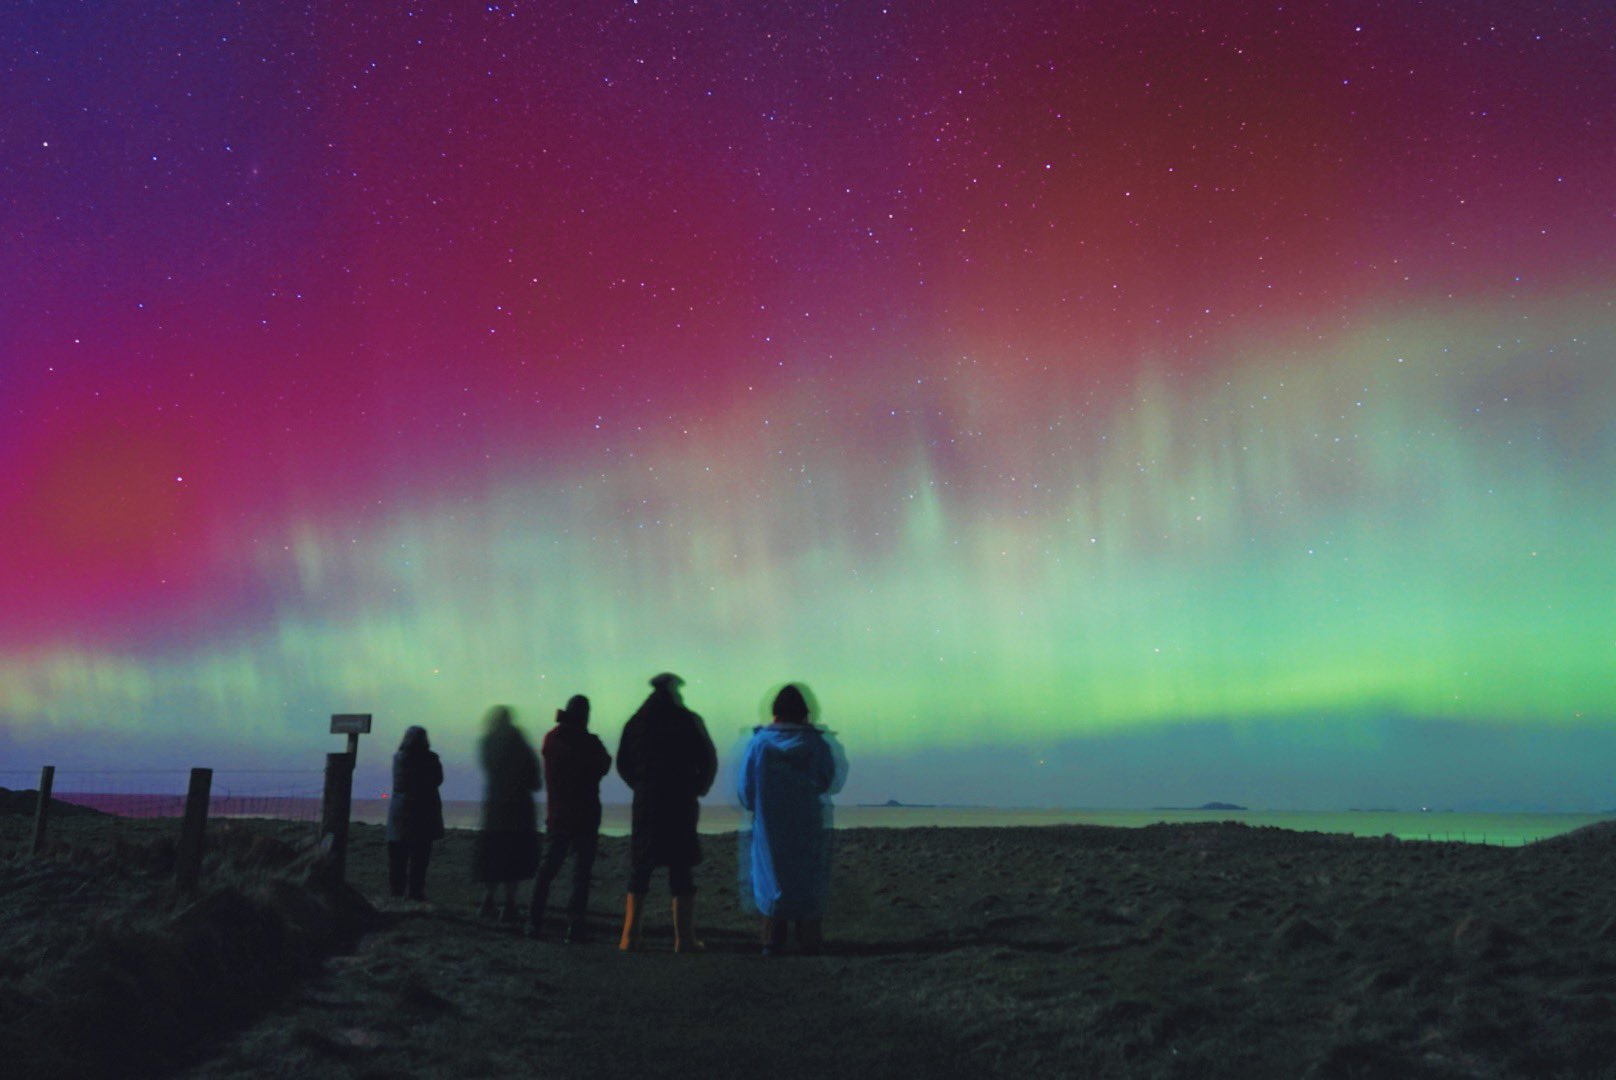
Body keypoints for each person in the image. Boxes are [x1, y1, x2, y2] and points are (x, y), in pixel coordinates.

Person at [615, 672, 718, 952]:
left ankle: (630, 937)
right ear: (674, 691)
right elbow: (708, 758)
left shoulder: (635, 723)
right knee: (680, 867)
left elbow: (623, 763)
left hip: (647, 802)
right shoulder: (687, 720)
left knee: (641, 868)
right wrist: (699, 787)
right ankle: (684, 939)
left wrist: (640, 786)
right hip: (680, 801)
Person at [737, 685, 839, 955]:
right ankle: (809, 939)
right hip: (807, 822)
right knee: (807, 877)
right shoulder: (816, 744)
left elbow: (746, 790)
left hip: (769, 825)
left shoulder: (759, 744)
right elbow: (827, 780)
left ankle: (772, 938)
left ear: (776, 714)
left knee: (771, 877)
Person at [528, 694, 612, 942]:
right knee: (580, 875)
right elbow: (604, 765)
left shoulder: (552, 739)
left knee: (547, 872)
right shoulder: (587, 743)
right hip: (584, 815)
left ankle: (534, 922)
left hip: (558, 815)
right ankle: (574, 926)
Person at [474, 705, 541, 923]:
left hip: (493, 808)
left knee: (493, 856)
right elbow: (534, 778)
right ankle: (509, 905)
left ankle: (488, 901)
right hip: (518, 809)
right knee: (514, 858)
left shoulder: (486, 743)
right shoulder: (519, 743)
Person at [385, 725, 445, 901]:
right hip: (423, 813)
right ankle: (415, 892)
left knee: (397, 858)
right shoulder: (430, 759)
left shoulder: (398, 758)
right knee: (420, 857)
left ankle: (396, 892)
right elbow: (438, 780)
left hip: (400, 812)